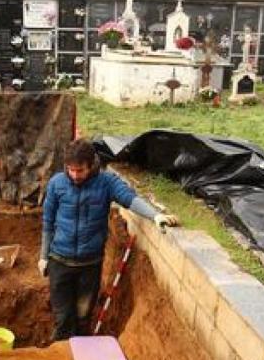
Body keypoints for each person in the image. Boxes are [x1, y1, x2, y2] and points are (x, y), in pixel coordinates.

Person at [39, 139, 178, 341]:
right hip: (59, 262)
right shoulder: (56, 184)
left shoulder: (106, 183)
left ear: (91, 165)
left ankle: (82, 349)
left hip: (90, 265)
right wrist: (43, 256)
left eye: (80, 170)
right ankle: (62, 348)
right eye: (71, 170)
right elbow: (48, 222)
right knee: (63, 318)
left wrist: (155, 215)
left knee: (83, 315)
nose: (75, 175)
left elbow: (129, 199)